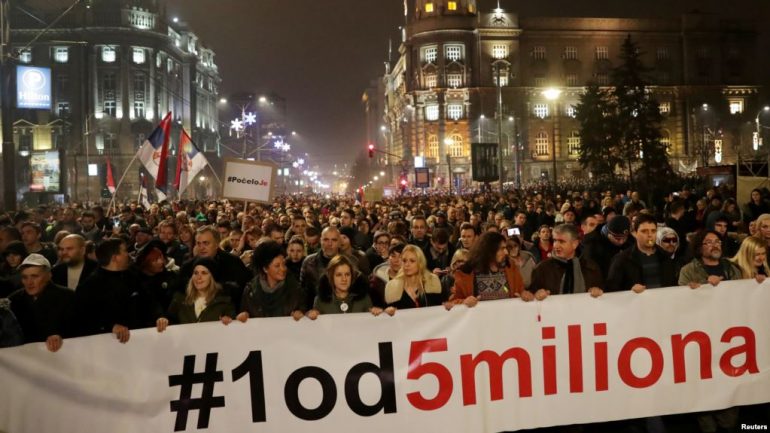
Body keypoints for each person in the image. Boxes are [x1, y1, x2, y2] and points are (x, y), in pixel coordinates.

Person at [75, 238, 156, 343]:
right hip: (105, 345)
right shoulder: (89, 285)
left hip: (138, 341)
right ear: (114, 258)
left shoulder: (132, 276)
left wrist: (158, 316)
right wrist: (110, 326)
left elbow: (149, 300)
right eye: (125, 251)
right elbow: (83, 317)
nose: (128, 254)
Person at [8, 254, 75, 352]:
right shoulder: (14, 300)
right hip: (24, 359)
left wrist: (60, 335)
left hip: (60, 355)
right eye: (25, 277)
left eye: (34, 276)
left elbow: (79, 328)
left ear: (48, 275)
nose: (29, 282)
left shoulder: (67, 296)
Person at [449, 231, 533, 308]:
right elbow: (452, 303)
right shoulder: (466, 272)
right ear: (489, 251)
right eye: (502, 249)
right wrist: (464, 302)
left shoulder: (510, 268)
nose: (506, 252)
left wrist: (524, 294)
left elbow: (520, 291)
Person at [178, 226, 251, 311]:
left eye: (206, 243)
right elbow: (180, 295)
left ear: (216, 244)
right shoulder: (187, 267)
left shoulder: (233, 262)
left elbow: (243, 291)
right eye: (198, 243)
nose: (201, 247)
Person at [156, 257, 236, 332]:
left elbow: (233, 323)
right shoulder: (180, 298)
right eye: (196, 273)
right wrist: (163, 320)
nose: (199, 277)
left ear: (212, 277)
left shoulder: (224, 301)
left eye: (204, 273)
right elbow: (170, 319)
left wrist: (228, 320)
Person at [606, 214, 678, 293]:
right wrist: (630, 291)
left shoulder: (666, 257)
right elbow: (611, 290)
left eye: (653, 231)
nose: (650, 235)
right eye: (644, 231)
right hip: (635, 304)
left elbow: (673, 286)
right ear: (635, 233)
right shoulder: (621, 259)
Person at [530, 224, 604, 299]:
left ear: (575, 244)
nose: (556, 246)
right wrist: (536, 294)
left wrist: (597, 291)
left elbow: (604, 293)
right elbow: (530, 294)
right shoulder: (542, 269)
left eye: (561, 241)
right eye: (555, 240)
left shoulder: (591, 268)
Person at [238, 240, 305, 320]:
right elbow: (244, 314)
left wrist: (301, 313)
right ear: (265, 269)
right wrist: (243, 316)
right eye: (277, 266)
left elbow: (303, 311)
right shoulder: (250, 291)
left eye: (283, 264)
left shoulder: (295, 288)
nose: (283, 269)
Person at [307, 254, 381, 317]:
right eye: (339, 275)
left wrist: (379, 313)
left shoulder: (364, 298)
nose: (344, 279)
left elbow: (371, 325)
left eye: (347, 274)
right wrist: (310, 315)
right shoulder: (320, 301)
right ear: (331, 276)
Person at [384, 245, 444, 310]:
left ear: (420, 263)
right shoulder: (392, 287)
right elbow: (387, 316)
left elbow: (441, 310)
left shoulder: (432, 281)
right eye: (404, 261)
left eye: (412, 261)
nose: (407, 265)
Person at [300, 226, 341, 310]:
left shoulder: (351, 262)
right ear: (320, 241)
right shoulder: (308, 262)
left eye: (334, 240)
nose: (330, 244)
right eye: (326, 240)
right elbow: (302, 292)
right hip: (315, 313)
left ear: (339, 242)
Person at [582, 215, 634, 280]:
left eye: (624, 238)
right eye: (617, 238)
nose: (621, 242)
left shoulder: (631, 241)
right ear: (608, 234)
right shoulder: (592, 244)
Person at [369, 243, 404, 308]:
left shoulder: (411, 280)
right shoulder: (376, 281)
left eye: (401, 257)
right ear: (388, 258)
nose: (396, 260)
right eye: (393, 256)